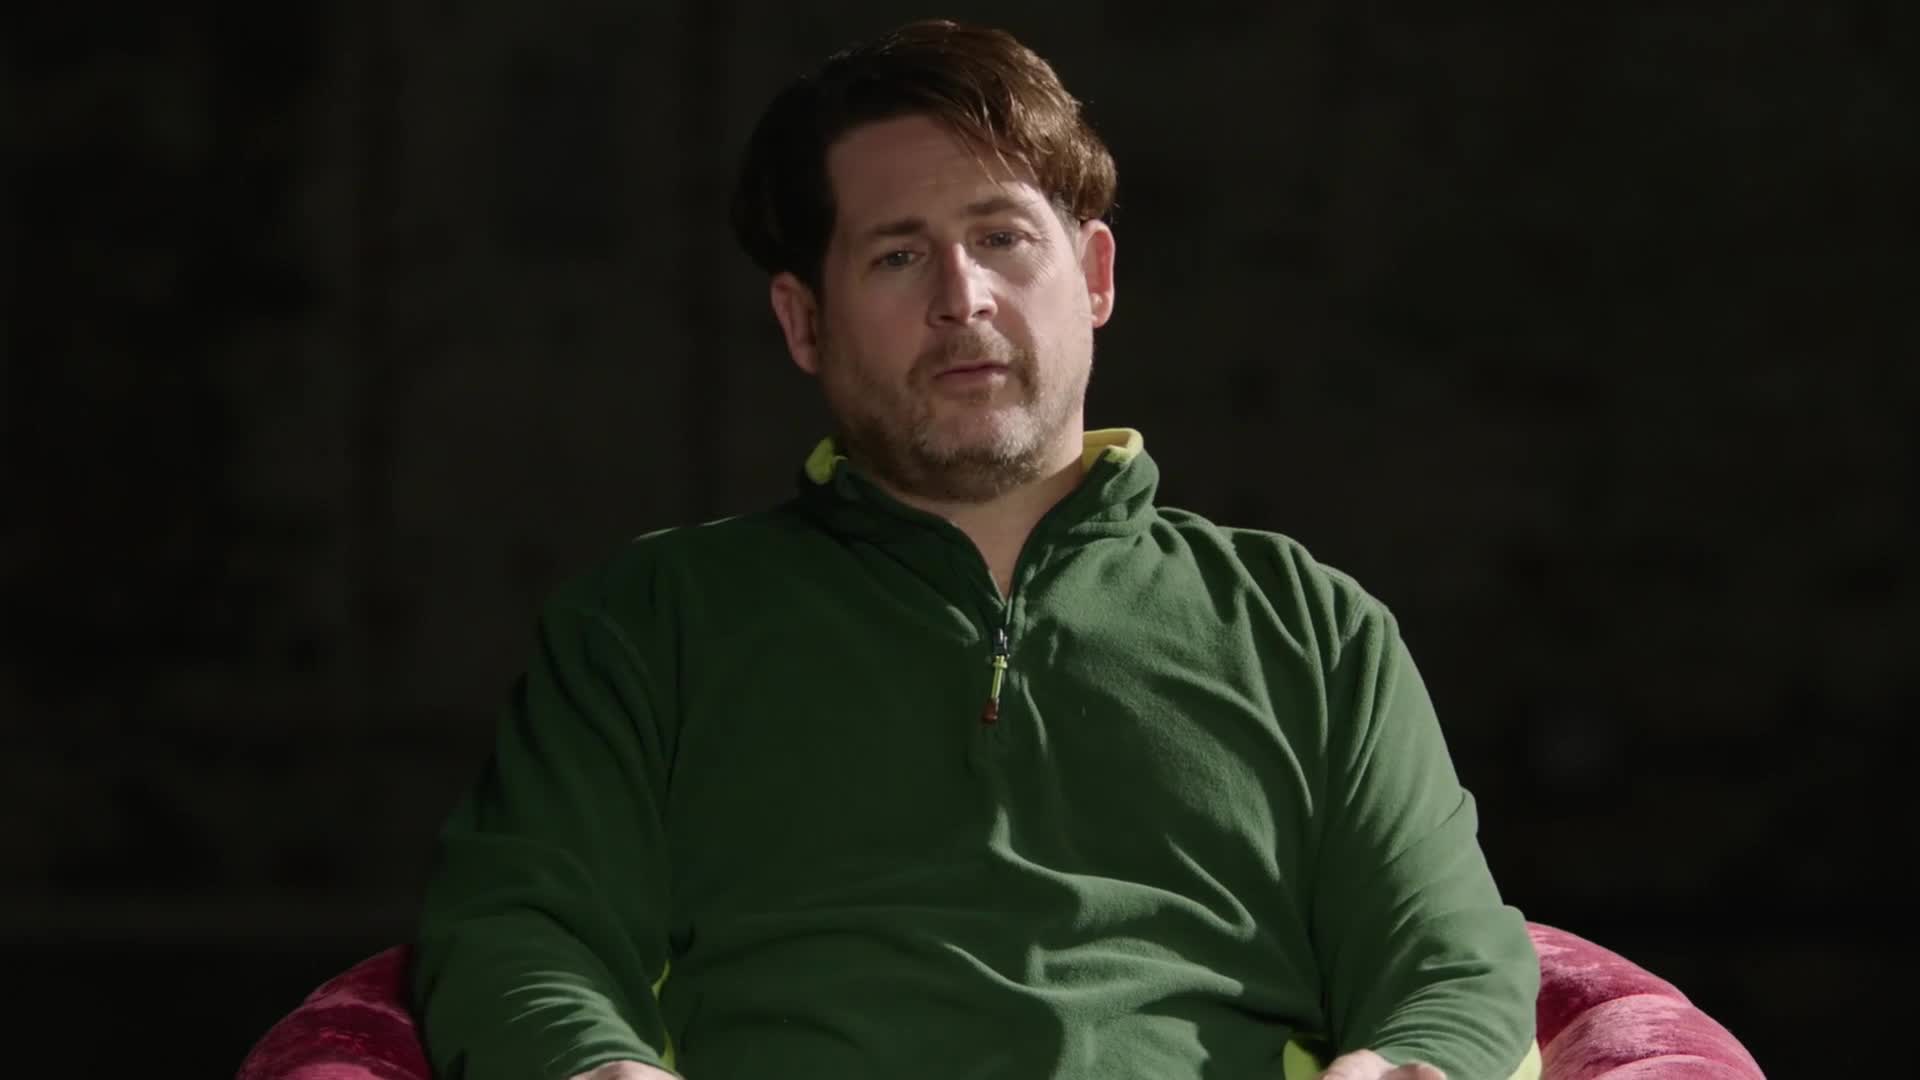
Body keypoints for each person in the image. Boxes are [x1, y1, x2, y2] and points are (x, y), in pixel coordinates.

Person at [409, 19, 1540, 1080]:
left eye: (1002, 237)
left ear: (1093, 277)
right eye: (898, 257)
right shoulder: (650, 622)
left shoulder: (1308, 625)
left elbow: (1445, 963)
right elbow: (521, 931)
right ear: (805, 321)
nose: (964, 298)